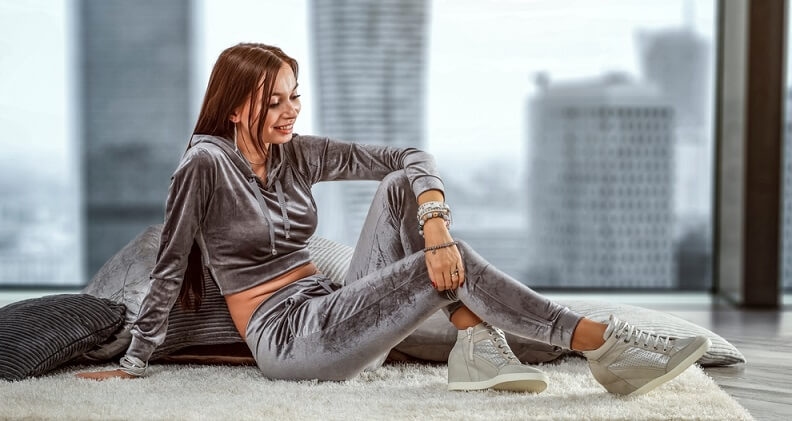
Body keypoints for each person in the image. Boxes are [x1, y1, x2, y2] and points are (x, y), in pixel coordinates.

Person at [77, 42, 710, 396]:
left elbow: (410, 157)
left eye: (295, 95)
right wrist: (134, 362)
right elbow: (168, 266)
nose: (291, 111)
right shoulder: (204, 165)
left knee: (404, 187)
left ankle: (474, 342)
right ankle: (601, 341)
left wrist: (433, 221)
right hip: (290, 338)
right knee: (435, 266)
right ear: (236, 107)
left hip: (332, 304)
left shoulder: (293, 153)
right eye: (275, 101)